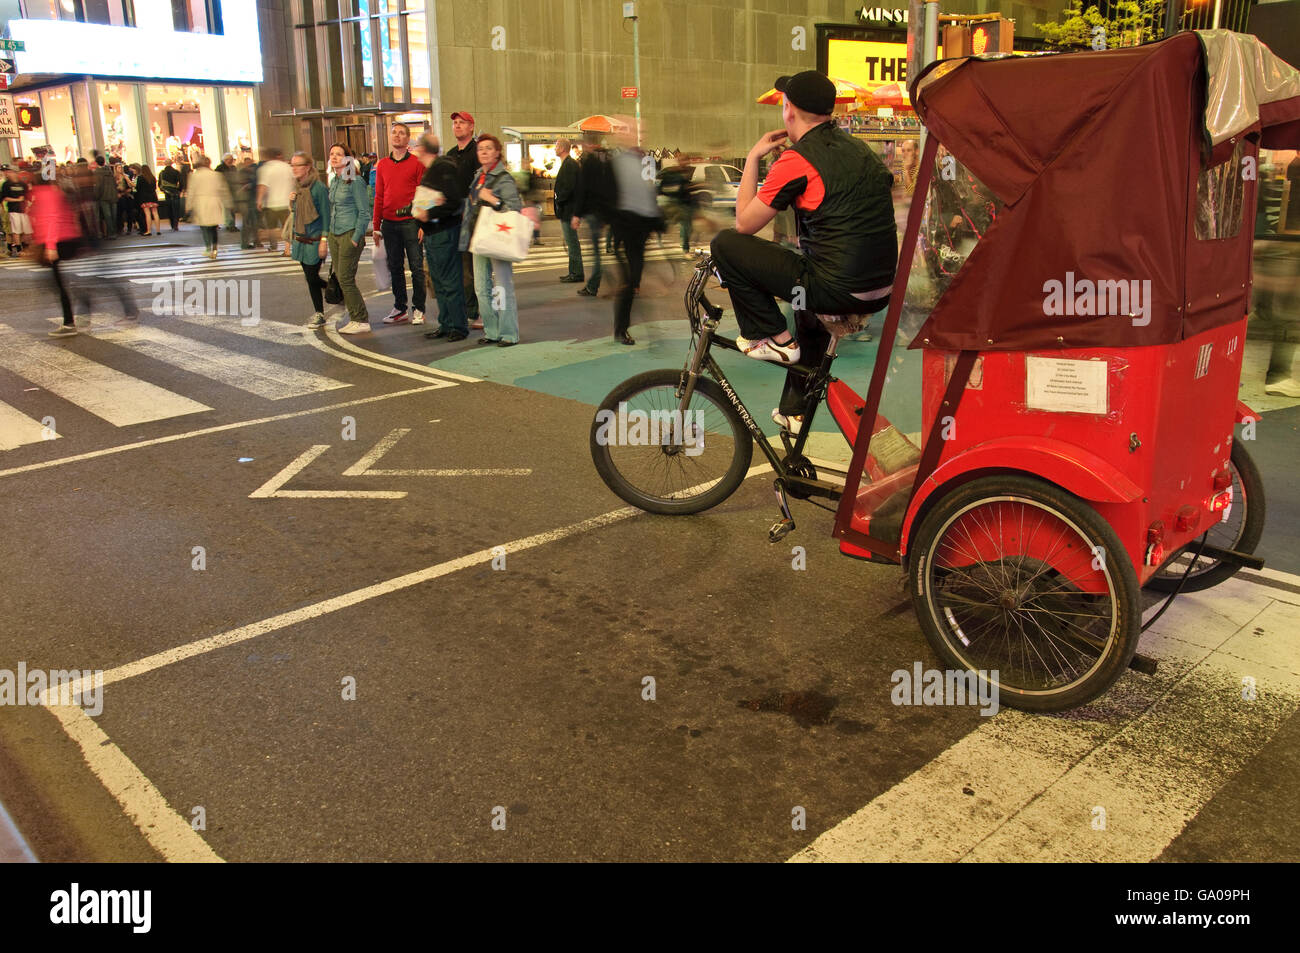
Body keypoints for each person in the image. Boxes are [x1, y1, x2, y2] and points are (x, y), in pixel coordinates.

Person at [711, 69, 897, 433]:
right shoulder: (860, 149)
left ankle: (772, 339)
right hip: (879, 289)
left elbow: (745, 225)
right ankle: (795, 413)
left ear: (788, 109)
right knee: (806, 307)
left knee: (726, 245)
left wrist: (753, 158)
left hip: (838, 285)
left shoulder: (796, 160)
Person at [33, 168, 136, 337]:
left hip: (88, 242)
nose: (77, 179)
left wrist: (54, 245)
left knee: (99, 279)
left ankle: (126, 312)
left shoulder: (82, 193)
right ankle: (82, 317)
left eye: (79, 176)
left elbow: (62, 218)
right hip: (83, 241)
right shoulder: (73, 193)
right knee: (88, 281)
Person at [461, 134, 522, 347]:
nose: (484, 152)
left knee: (502, 287)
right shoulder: (478, 175)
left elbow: (514, 209)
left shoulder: (503, 178)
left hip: (497, 238)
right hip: (479, 237)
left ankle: (508, 333)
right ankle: (491, 330)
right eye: (480, 149)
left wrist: (494, 201)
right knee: (481, 287)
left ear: (497, 152)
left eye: (488, 148)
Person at [410, 133, 469, 342]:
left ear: (422, 149)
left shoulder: (442, 169)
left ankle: (457, 326)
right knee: (438, 280)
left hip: (443, 231)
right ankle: (446, 324)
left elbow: (453, 202)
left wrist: (429, 214)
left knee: (449, 280)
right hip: (434, 231)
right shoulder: (436, 170)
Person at [608, 134, 664, 346]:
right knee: (628, 283)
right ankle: (621, 329)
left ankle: (622, 326)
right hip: (626, 235)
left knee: (631, 283)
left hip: (636, 235)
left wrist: (656, 222)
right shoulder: (620, 166)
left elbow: (646, 199)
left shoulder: (637, 166)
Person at [371, 121, 426, 325]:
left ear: (407, 138)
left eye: (401, 133)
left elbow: (423, 195)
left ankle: (419, 308)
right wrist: (376, 226)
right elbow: (379, 196)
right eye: (394, 133)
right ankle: (400, 307)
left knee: (417, 267)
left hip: (411, 222)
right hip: (389, 223)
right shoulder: (383, 164)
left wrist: (423, 225)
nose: (397, 136)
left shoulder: (417, 164)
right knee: (395, 266)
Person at [325, 143, 372, 333]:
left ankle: (360, 319)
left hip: (349, 233)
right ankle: (355, 317)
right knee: (342, 276)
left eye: (339, 154)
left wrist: (356, 236)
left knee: (345, 277)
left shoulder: (355, 181)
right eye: (332, 154)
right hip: (334, 233)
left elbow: (364, 211)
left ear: (348, 159)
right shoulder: (335, 180)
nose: (334, 157)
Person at [444, 111, 481, 328]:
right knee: (457, 268)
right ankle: (464, 309)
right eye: (455, 123)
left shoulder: (477, 152)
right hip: (452, 219)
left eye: (462, 123)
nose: (457, 126)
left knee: (471, 269)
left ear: (471, 127)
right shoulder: (450, 154)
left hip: (472, 219)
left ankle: (474, 312)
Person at [288, 152, 330, 328]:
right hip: (301, 240)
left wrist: (324, 240)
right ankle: (319, 312)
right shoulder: (297, 187)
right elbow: (296, 215)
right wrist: (291, 202)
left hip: (314, 240)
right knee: (309, 277)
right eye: (293, 165)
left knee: (312, 277)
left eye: (298, 165)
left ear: (307, 167)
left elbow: (326, 215)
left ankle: (335, 291)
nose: (295, 169)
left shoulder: (318, 188)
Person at [571, 131, 613, 297]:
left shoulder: (589, 162)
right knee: (596, 251)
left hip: (592, 213)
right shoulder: (606, 160)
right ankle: (597, 281)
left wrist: (577, 214)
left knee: (595, 252)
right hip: (600, 213)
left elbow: (583, 190)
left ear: (588, 144)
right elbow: (607, 189)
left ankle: (594, 284)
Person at [187, 155, 230, 259]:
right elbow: (223, 190)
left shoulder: (195, 175)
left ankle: (207, 248)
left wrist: (188, 205)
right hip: (214, 202)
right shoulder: (216, 175)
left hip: (201, 202)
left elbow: (191, 191)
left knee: (204, 227)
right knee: (213, 227)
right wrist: (228, 202)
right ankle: (215, 249)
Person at [553, 137, 584, 282]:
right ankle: (573, 271)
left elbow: (570, 188)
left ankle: (576, 273)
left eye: (557, 145)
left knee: (572, 243)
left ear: (563, 148)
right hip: (568, 210)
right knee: (571, 242)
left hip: (569, 210)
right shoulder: (568, 164)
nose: (555, 148)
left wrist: (559, 199)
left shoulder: (569, 165)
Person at [256, 147, 294, 253]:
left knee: (271, 227)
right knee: (287, 226)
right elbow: (294, 181)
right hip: (286, 202)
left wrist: (259, 200)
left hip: (271, 203)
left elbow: (263, 186)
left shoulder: (265, 168)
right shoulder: (287, 167)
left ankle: (273, 245)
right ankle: (288, 248)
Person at [2, 165, 32, 257]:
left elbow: (28, 196)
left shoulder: (22, 184)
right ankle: (19, 249)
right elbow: (4, 197)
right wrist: (17, 200)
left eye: (10, 171)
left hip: (23, 209)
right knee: (16, 231)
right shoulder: (6, 184)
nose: (8, 173)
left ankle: (25, 248)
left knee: (26, 231)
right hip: (13, 210)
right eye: (8, 172)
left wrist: (29, 205)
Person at [93, 154, 117, 239]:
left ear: (96, 163)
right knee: (113, 215)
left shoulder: (97, 173)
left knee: (108, 216)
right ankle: (114, 231)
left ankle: (111, 233)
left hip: (103, 197)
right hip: (113, 195)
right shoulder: (110, 171)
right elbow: (114, 184)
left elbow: (98, 186)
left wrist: (96, 196)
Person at [135, 164, 161, 236]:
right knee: (155, 213)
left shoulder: (140, 178)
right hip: (153, 197)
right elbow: (155, 188)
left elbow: (138, 188)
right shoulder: (152, 177)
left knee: (147, 214)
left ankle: (148, 231)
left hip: (144, 198)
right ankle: (158, 230)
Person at [159, 157, 183, 231]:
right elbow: (181, 183)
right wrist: (179, 190)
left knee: (169, 209)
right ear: (172, 163)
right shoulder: (176, 172)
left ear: (165, 164)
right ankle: (176, 225)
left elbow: (159, 184)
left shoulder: (162, 173)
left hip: (167, 193)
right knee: (176, 210)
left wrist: (164, 190)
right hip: (175, 192)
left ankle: (172, 225)